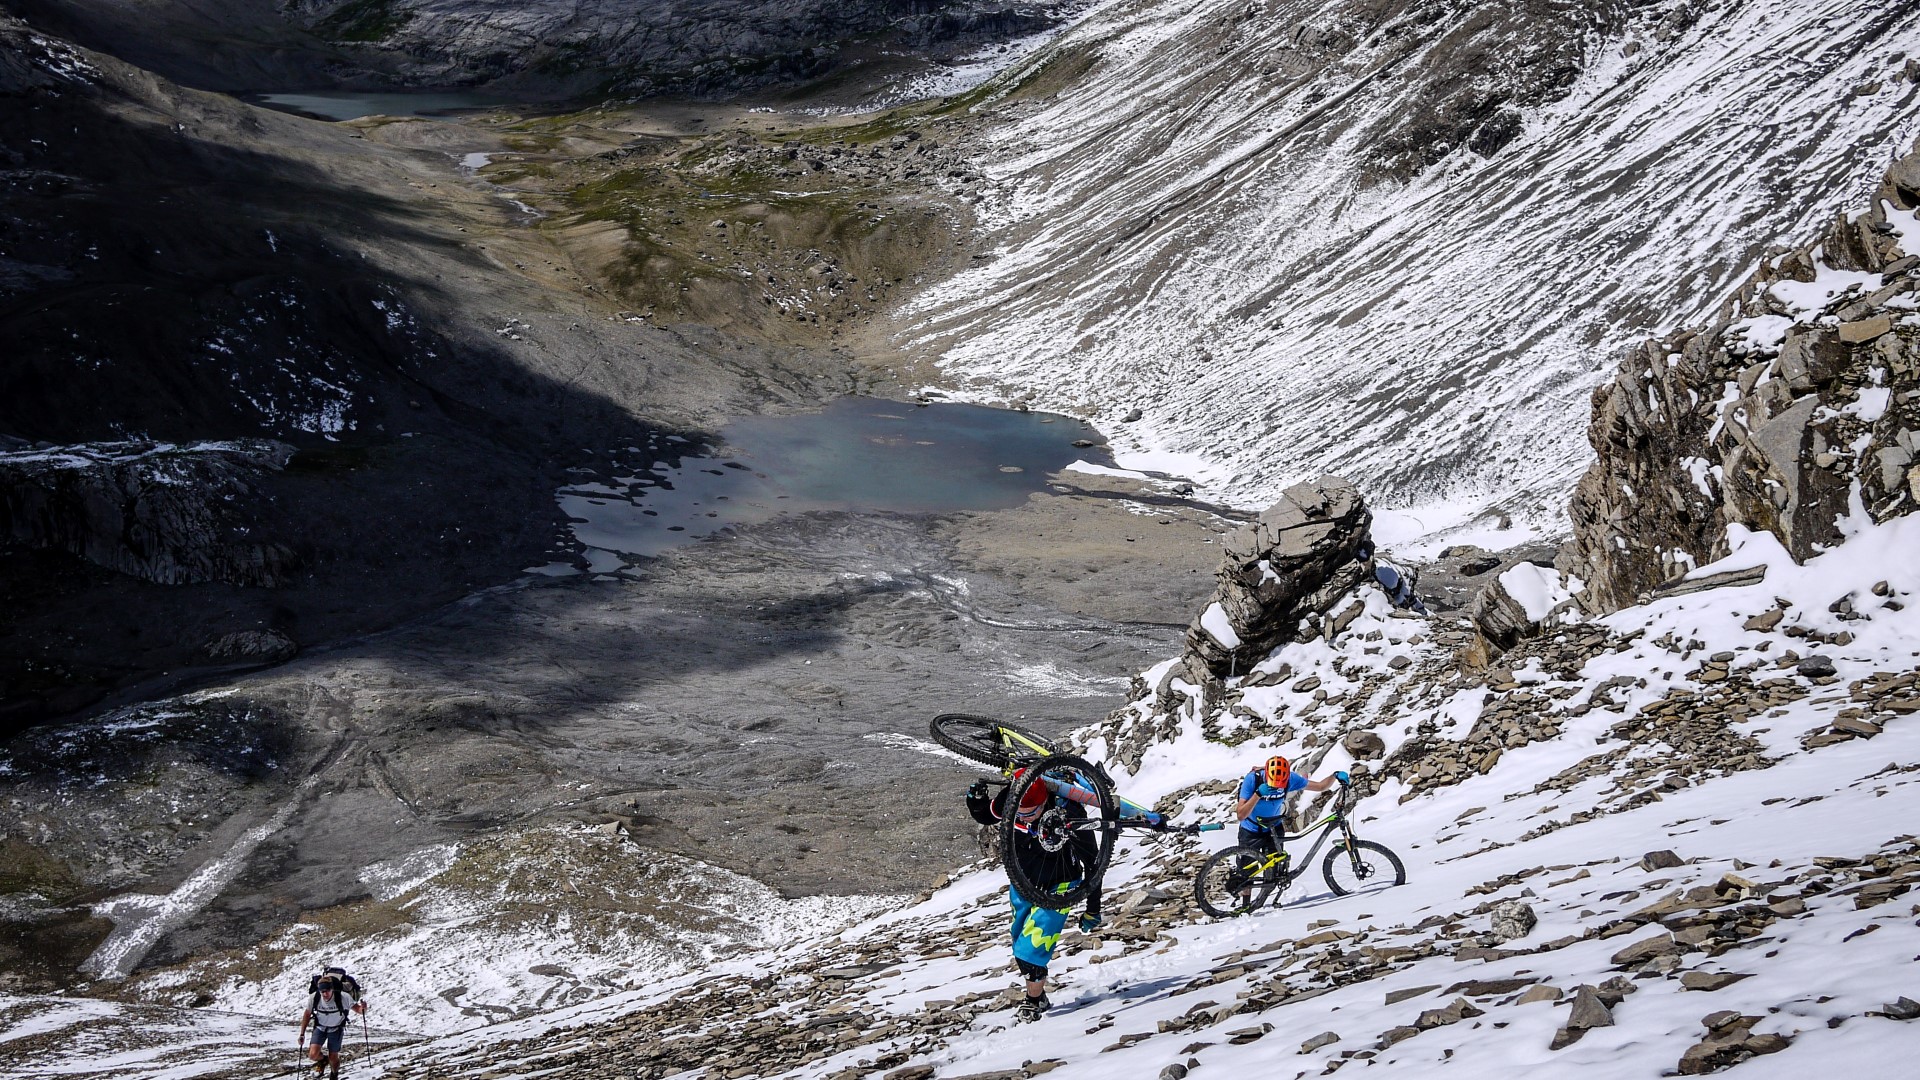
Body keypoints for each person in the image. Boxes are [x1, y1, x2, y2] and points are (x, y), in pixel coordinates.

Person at [966, 770, 1127, 1024]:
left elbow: (1093, 862)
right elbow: (987, 815)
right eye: (1019, 814)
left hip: (1060, 887)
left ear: (1044, 802)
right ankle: (1037, 994)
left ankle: (1033, 1002)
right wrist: (975, 801)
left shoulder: (1069, 813)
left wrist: (1093, 908)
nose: (1024, 818)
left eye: (1031, 812)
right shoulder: (1012, 798)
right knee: (1019, 943)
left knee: (1032, 948)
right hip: (1022, 881)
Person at [1232, 755, 1347, 894]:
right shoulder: (1252, 779)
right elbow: (1241, 815)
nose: (1276, 787)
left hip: (1274, 827)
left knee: (1275, 873)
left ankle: (1263, 900)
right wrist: (1257, 794)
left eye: (1280, 785)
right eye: (1273, 784)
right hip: (1251, 830)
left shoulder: (1291, 779)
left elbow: (1321, 786)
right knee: (1246, 874)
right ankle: (1246, 904)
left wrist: (1335, 775)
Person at [299, 974, 364, 1077]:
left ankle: (334, 1075)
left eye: (327, 991)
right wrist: (302, 1034)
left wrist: (363, 1008)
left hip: (336, 1028)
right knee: (313, 1055)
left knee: (333, 1057)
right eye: (322, 991)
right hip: (320, 1027)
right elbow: (307, 1014)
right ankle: (323, 1060)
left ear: (332, 989)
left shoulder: (343, 997)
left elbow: (359, 1010)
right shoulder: (314, 997)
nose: (325, 994)